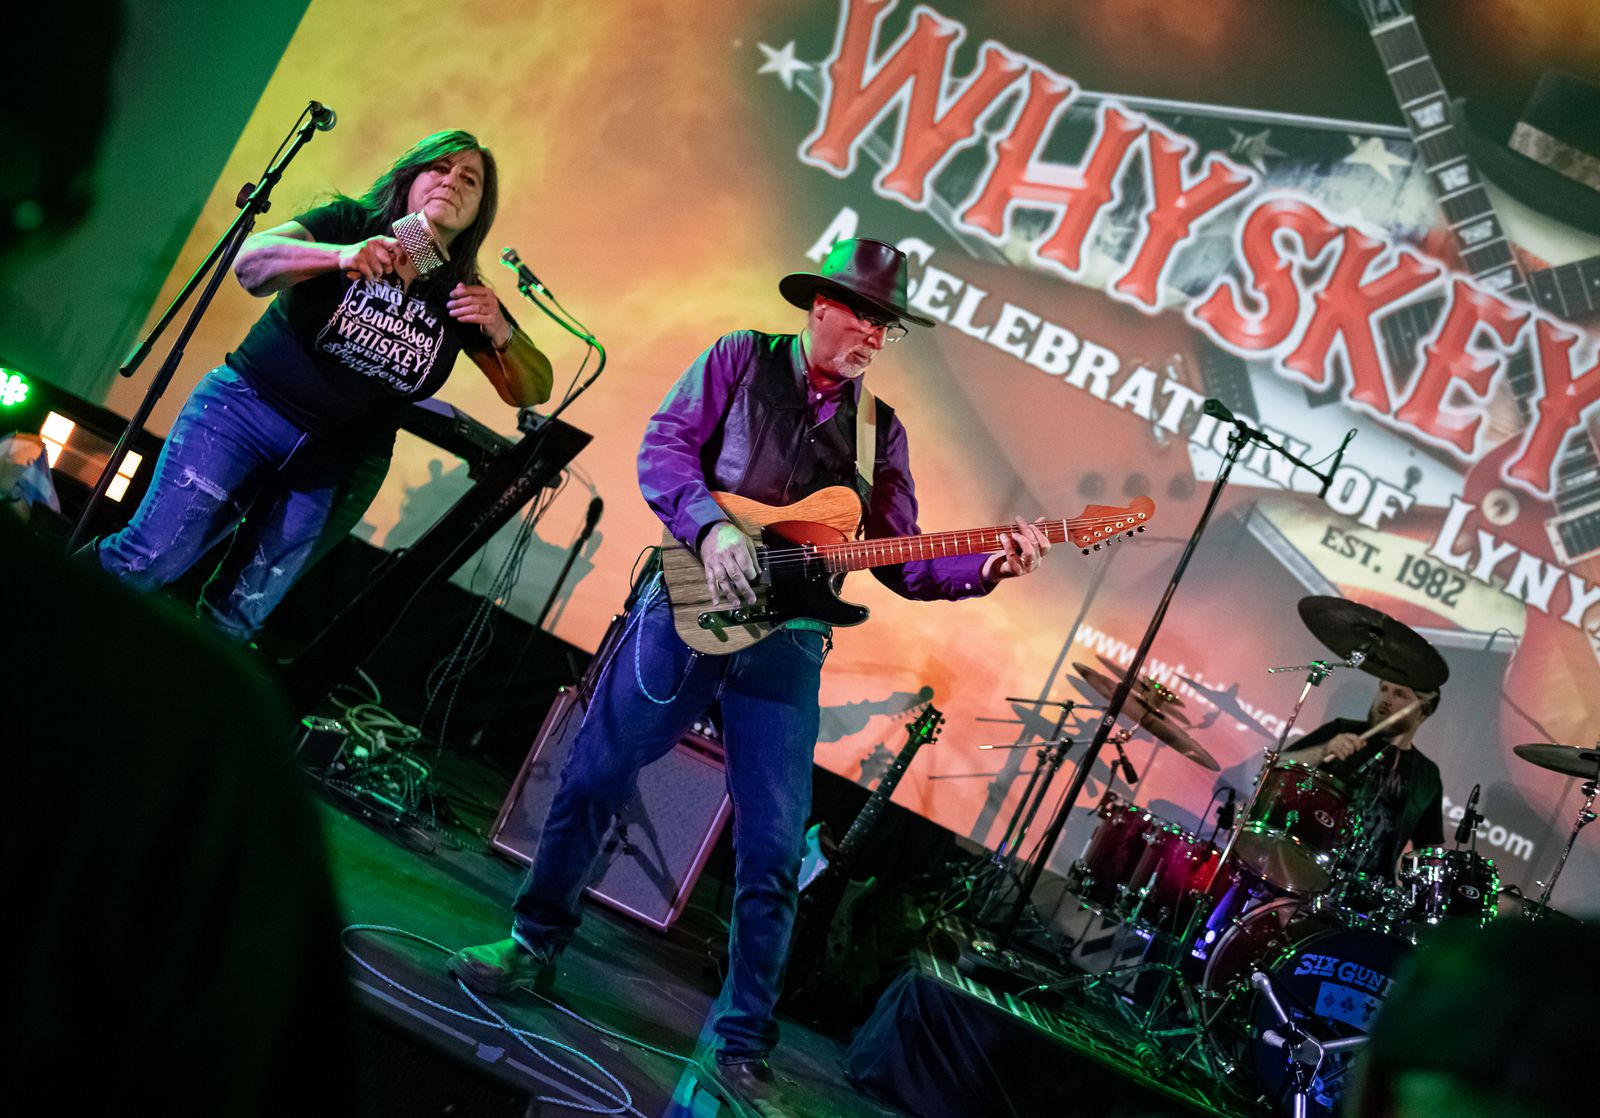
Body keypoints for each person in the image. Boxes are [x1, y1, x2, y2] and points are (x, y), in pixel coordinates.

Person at [449, 238, 1052, 1117]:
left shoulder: (880, 431)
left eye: (887, 328)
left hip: (788, 648)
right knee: (596, 773)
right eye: (866, 318)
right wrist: (713, 528)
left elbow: (902, 557)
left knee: (773, 847)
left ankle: (741, 1044)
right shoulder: (739, 358)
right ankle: (531, 941)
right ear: (821, 305)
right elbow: (665, 448)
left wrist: (988, 566)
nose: (875, 337)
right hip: (687, 606)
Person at [93, 130, 553, 642]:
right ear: (411, 176)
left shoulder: (460, 292)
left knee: (235, 617)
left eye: (470, 179)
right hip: (244, 415)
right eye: (440, 168)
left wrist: (503, 332)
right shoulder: (350, 224)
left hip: (341, 465)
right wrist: (340, 257)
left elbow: (532, 390)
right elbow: (250, 264)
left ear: (480, 211)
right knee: (148, 560)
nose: (452, 182)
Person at [1286, 678, 1445, 879]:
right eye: (1384, 689)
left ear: (1423, 711)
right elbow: (1278, 765)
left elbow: (1429, 846)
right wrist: (1323, 750)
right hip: (1304, 866)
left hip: (1365, 889)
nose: (1385, 699)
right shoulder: (1342, 730)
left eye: (1399, 694)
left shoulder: (1426, 774)